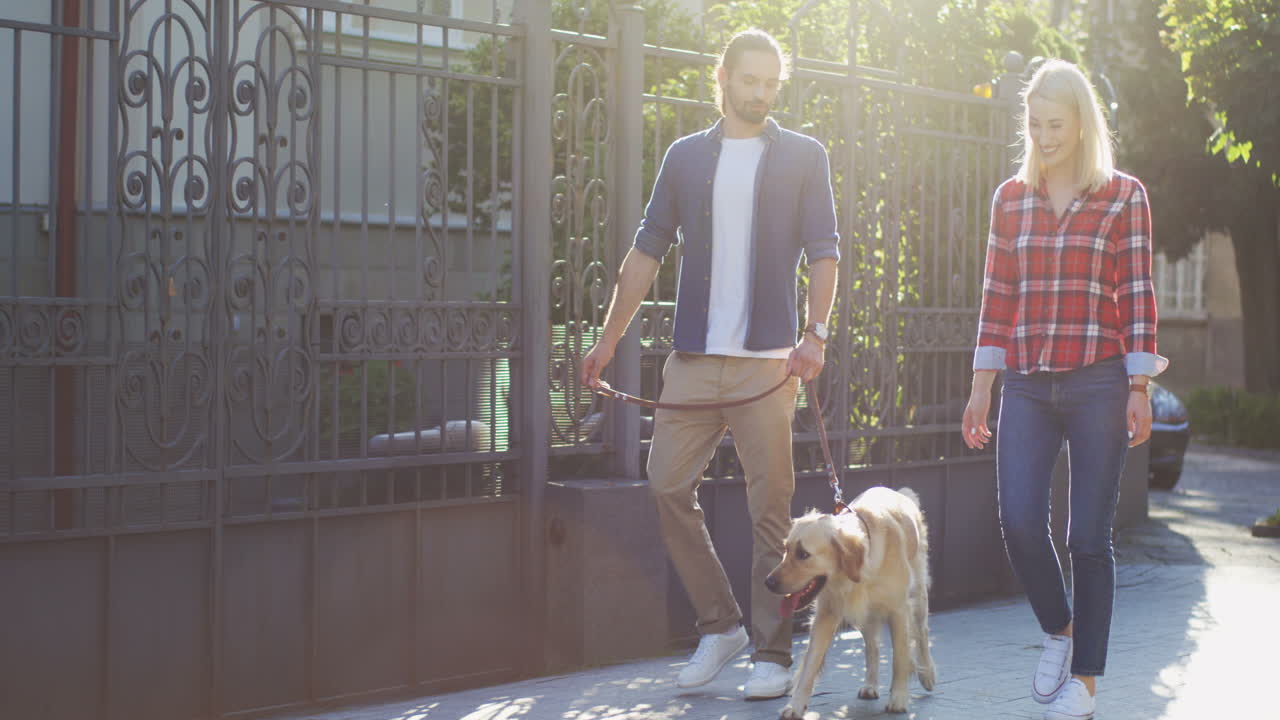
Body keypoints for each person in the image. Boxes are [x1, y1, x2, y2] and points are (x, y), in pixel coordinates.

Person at [579, 28, 839, 700]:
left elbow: (824, 252)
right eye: (748, 81)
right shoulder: (686, 158)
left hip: (768, 366)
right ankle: (721, 626)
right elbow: (646, 253)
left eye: (770, 84)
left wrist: (816, 333)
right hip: (694, 356)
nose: (759, 94)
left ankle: (772, 654)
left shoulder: (805, 157)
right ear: (721, 77)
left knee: (771, 512)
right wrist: (608, 339)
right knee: (665, 484)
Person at [961, 58, 1168, 720]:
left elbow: (1137, 293)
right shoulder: (1011, 198)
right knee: (1020, 522)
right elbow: (997, 297)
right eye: (1035, 124)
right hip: (1025, 381)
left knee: (1087, 537)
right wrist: (980, 387)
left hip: (1099, 382)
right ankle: (1061, 628)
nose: (1044, 136)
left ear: (1082, 123)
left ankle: (1084, 682)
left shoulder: (1124, 196)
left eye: (1056, 125)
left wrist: (1139, 386)